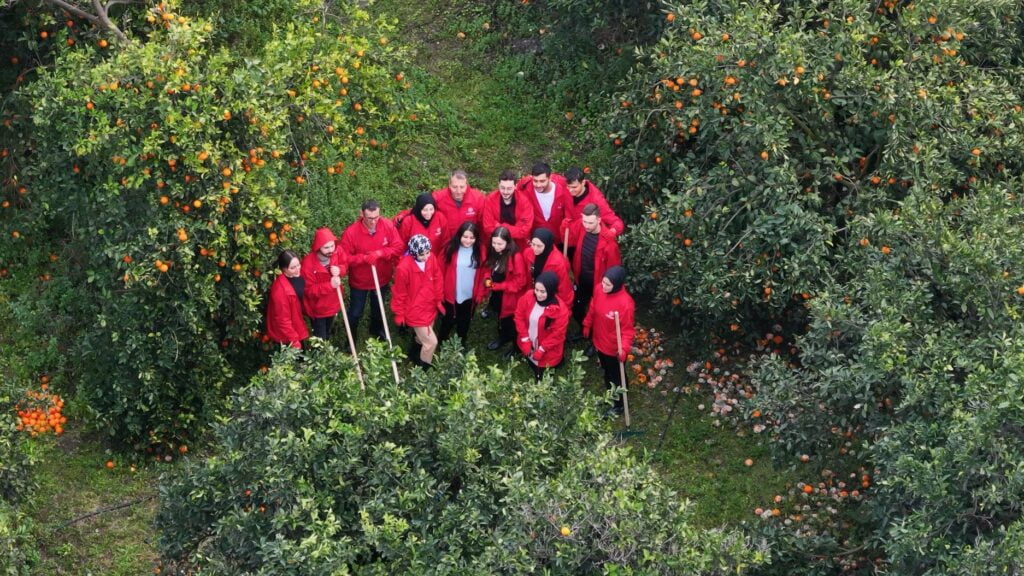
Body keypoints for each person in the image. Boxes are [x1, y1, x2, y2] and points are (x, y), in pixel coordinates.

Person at [339, 199, 404, 342]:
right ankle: (351, 339)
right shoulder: (351, 233)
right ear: (362, 214)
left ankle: (376, 330)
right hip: (359, 281)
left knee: (378, 308)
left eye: (376, 217)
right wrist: (363, 258)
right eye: (369, 218)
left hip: (381, 278)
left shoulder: (387, 225)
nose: (373, 221)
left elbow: (398, 247)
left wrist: (380, 254)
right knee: (355, 312)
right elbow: (344, 257)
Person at [564, 203, 622, 354]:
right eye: (584, 221)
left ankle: (595, 341)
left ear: (598, 219)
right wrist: (565, 226)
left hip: (598, 284)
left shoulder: (609, 243)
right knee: (576, 306)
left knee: (597, 314)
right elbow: (568, 235)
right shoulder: (581, 227)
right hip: (581, 278)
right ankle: (585, 331)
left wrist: (608, 289)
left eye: (590, 222)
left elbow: (613, 268)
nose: (587, 225)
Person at [583, 266, 635, 417]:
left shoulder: (625, 304)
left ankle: (619, 404)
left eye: (608, 284)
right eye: (603, 282)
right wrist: (587, 323)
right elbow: (593, 307)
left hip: (614, 348)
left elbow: (627, 331)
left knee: (616, 376)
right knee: (606, 372)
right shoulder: (599, 290)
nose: (603, 286)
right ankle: (610, 396)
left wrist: (623, 349)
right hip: (599, 341)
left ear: (617, 284)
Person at [391, 234, 444, 369]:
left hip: (430, 305)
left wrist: (438, 299)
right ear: (414, 253)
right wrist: (399, 313)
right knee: (431, 343)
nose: (426, 257)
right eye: (422, 255)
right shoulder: (403, 268)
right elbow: (399, 293)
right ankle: (423, 368)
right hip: (415, 310)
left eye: (428, 252)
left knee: (422, 338)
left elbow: (437, 277)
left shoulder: (431, 258)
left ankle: (414, 353)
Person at [514, 270, 570, 381]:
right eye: (537, 290)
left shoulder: (561, 310)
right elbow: (519, 315)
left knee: (543, 370)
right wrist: (525, 339)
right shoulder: (529, 296)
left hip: (547, 347)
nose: (538, 294)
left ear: (551, 290)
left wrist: (542, 349)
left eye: (543, 291)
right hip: (530, 338)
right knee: (533, 362)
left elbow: (557, 334)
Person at [481, 226, 527, 353]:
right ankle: (503, 336)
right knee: (499, 313)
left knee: (509, 319)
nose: (496, 246)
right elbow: (488, 267)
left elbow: (520, 282)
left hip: (509, 295)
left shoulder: (515, 256)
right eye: (494, 242)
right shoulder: (494, 250)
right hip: (497, 291)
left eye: (500, 244)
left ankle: (514, 344)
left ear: (508, 242)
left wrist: (497, 286)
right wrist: (487, 278)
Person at [439, 221, 486, 344]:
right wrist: (439, 292)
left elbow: (486, 277)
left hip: (470, 295)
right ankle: (442, 339)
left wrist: (481, 293)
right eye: (465, 237)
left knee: (464, 320)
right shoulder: (449, 248)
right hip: (450, 294)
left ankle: (461, 341)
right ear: (459, 235)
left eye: (472, 238)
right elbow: (438, 272)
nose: (468, 240)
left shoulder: (481, 251)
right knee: (447, 319)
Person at [300, 227, 346, 341]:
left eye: (332, 246)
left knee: (327, 331)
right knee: (320, 339)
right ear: (318, 247)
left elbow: (345, 264)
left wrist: (340, 269)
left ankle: (327, 341)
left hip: (334, 302)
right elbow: (309, 290)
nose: (331, 250)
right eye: (326, 247)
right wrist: (330, 285)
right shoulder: (308, 265)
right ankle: (319, 356)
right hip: (318, 309)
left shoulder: (337, 252)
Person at [482, 169, 534, 250]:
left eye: (509, 188)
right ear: (498, 185)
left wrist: (500, 226)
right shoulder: (490, 199)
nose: (505, 192)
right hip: (497, 244)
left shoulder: (524, 201)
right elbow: (487, 227)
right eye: (502, 188)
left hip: (519, 244)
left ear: (515, 186)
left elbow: (524, 230)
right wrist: (514, 230)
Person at [521, 228, 573, 309]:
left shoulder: (558, 263)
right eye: (533, 244)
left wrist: (565, 309)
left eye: (539, 246)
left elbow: (564, 288)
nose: (535, 248)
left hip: (549, 295)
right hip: (534, 289)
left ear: (547, 244)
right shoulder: (528, 253)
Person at [516, 162, 571, 237]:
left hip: (558, 237)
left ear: (549, 178)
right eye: (535, 181)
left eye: (542, 181)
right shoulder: (525, 190)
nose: (538, 185)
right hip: (536, 238)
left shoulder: (564, 188)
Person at [266, 250, 308, 349]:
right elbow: (282, 320)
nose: (298, 269)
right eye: (293, 267)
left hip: (296, 325)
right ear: (284, 269)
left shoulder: (299, 276)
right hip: (287, 335)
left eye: (298, 265)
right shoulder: (280, 290)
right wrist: (294, 341)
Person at [433, 170, 485, 243]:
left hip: (469, 243)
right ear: (449, 185)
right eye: (454, 187)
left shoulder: (478, 198)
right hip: (447, 243)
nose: (458, 191)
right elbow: (420, 210)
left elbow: (484, 224)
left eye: (462, 187)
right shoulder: (438, 198)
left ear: (467, 185)